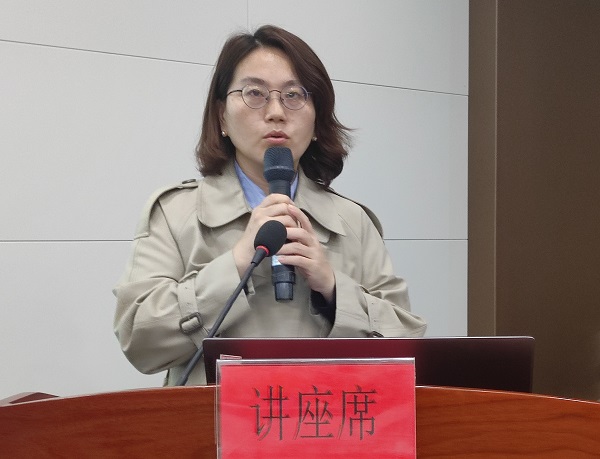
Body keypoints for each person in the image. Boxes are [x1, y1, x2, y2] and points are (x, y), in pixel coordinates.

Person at [113, 25, 427, 386]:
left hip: (324, 417)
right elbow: (139, 341)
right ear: (221, 116)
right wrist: (235, 265)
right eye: (255, 94)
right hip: (209, 421)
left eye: (294, 95)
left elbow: (408, 346)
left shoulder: (352, 222)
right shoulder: (176, 213)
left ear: (317, 119)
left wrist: (333, 289)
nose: (276, 112)